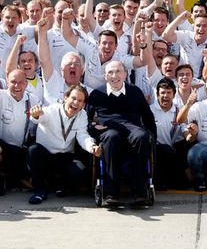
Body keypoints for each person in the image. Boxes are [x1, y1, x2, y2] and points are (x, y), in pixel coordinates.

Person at [87, 60, 157, 208]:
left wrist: (153, 138)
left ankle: (140, 193)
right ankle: (111, 193)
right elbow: (86, 121)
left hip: (132, 127)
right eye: (110, 72)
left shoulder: (135, 92)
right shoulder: (96, 94)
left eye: (118, 71)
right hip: (108, 129)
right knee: (112, 137)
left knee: (142, 137)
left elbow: (148, 117)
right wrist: (93, 127)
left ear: (125, 74)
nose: (115, 76)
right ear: (105, 76)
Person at [27, 85, 101, 204]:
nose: (76, 103)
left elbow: (82, 135)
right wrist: (35, 114)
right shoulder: (52, 110)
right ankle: (40, 190)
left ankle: (61, 186)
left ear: (83, 104)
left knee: (79, 172)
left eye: (80, 101)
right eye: (73, 98)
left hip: (65, 156)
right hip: (46, 156)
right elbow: (40, 116)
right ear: (65, 98)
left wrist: (91, 147)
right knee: (33, 150)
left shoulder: (82, 115)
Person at [0, 64, 34, 195]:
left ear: (26, 83)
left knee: (33, 185)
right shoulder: (0, 96)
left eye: (20, 82)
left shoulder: (33, 99)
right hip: (2, 147)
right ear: (7, 81)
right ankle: (0, 176)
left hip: (21, 150)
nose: (17, 86)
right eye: (13, 82)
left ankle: (12, 178)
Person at [149, 77, 190, 190]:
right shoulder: (149, 110)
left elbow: (184, 128)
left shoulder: (178, 111)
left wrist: (190, 135)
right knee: (164, 150)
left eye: (169, 93)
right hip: (155, 150)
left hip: (173, 149)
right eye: (162, 93)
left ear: (174, 94)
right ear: (157, 94)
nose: (165, 96)